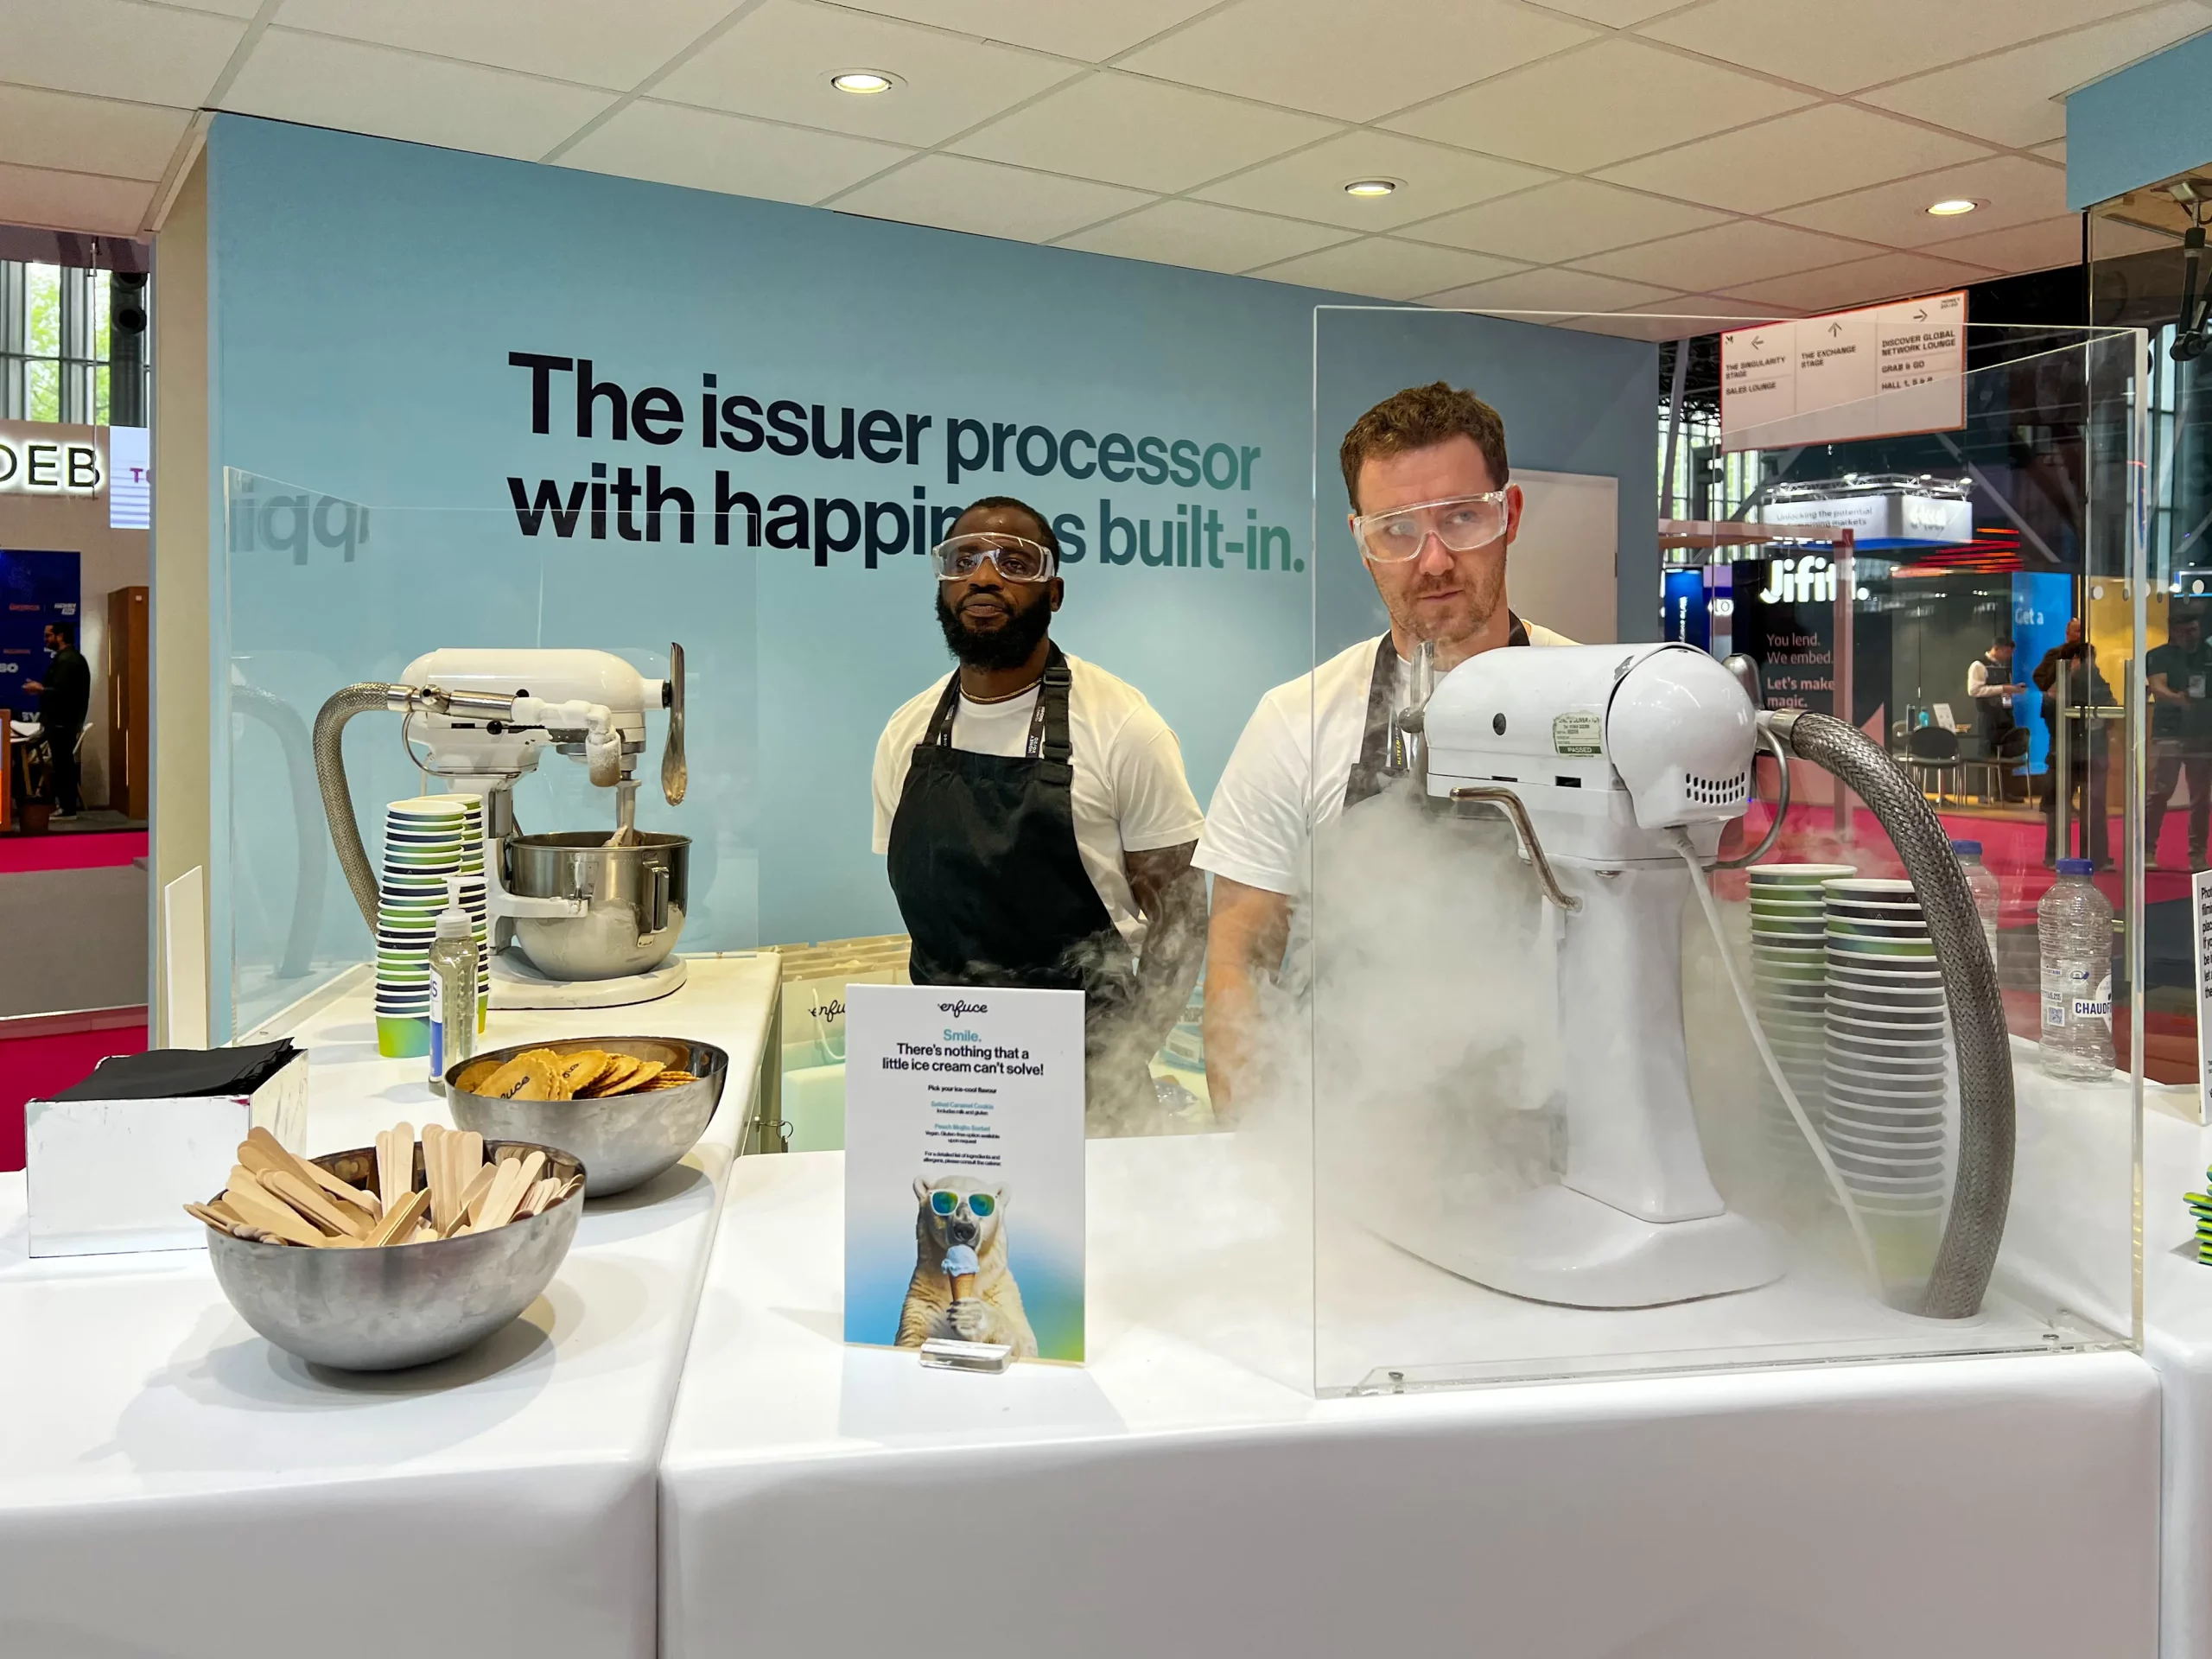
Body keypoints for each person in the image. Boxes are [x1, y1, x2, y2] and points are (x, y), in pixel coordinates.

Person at [1196, 381, 1572, 1113]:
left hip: (1558, 1134)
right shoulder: (1295, 721)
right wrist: (1255, 1155)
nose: (1432, 561)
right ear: (1362, 543)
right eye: (1396, 529)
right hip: (1350, 1137)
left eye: (1461, 518)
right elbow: (1239, 962)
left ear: (1510, 515)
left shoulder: (1600, 708)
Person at [873, 494, 1208, 1134]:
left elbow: (1183, 919)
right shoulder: (905, 735)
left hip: (1091, 1085)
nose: (984, 575)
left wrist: (1124, 1057)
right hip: (951, 1079)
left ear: (1053, 593)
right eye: (963, 559)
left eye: (1015, 562)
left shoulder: (1124, 729)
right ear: (943, 587)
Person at [2033, 616, 2113, 868]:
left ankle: (2097, 857)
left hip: (2091, 749)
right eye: (2075, 631)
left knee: (2095, 806)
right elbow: (2047, 695)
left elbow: (2108, 701)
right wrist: (2068, 673)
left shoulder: (2093, 674)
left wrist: (2102, 719)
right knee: (2057, 806)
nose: (2078, 636)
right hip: (2062, 748)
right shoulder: (2055, 660)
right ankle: (2055, 855)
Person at [2146, 605, 2212, 870]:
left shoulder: (2207, 654)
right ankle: (2147, 850)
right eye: (2188, 631)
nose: (2194, 635)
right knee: (2160, 792)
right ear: (2175, 631)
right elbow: (2157, 686)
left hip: (2201, 734)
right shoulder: (2159, 655)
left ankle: (2197, 854)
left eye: (2196, 629)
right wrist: (2179, 699)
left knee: (2201, 797)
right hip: (2168, 732)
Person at [22, 620, 89, 821]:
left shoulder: (68, 661)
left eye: (48, 635)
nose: (45, 639)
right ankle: (65, 806)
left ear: (60, 636)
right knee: (62, 764)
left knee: (63, 765)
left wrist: (41, 689)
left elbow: (64, 693)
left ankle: (67, 808)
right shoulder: (67, 659)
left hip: (62, 722)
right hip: (62, 721)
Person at [1965, 632, 2029, 802]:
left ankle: (2004, 792)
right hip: (1989, 717)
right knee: (1986, 754)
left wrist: (2014, 690)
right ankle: (1983, 793)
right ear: (1997, 649)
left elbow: (2004, 689)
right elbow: (1974, 690)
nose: (2009, 656)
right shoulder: (1979, 665)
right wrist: (2003, 688)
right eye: (2007, 652)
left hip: (2006, 715)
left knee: (2007, 754)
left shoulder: (2003, 667)